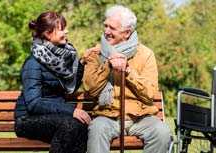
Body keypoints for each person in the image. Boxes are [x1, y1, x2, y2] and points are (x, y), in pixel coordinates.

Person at [83, 5, 171, 153]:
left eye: (112, 28)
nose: (106, 31)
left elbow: (150, 93)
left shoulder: (146, 54)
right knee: (97, 129)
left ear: (127, 32)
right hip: (108, 116)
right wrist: (108, 67)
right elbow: (89, 90)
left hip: (141, 118)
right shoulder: (95, 54)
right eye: (105, 26)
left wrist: (128, 71)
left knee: (162, 133)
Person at [14, 11, 91, 153]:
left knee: (80, 127)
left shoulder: (61, 59)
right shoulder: (33, 63)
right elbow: (34, 104)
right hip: (28, 119)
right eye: (62, 29)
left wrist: (81, 63)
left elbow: (70, 88)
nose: (66, 31)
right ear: (48, 34)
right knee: (70, 125)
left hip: (54, 116)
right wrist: (71, 111)